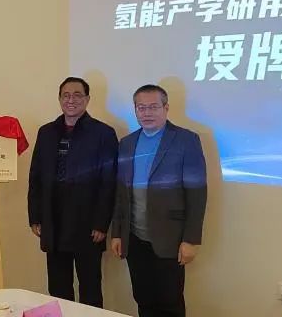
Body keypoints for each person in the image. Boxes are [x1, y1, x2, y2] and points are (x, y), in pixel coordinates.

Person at [110, 84, 207, 317]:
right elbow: (121, 193)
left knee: (170, 301)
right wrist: (117, 233)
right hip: (135, 237)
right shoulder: (127, 143)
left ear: (166, 108)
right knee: (143, 298)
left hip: (170, 237)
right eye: (141, 108)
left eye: (153, 107)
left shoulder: (186, 140)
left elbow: (197, 193)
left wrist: (191, 239)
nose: (147, 113)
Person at [27, 77, 118, 307]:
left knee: (90, 287)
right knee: (58, 287)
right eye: (66, 95)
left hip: (87, 223)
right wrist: (35, 217)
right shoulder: (46, 132)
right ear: (59, 99)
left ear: (87, 99)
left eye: (78, 95)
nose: (71, 100)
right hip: (53, 221)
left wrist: (101, 223)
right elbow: (36, 177)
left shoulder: (103, 133)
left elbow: (109, 182)